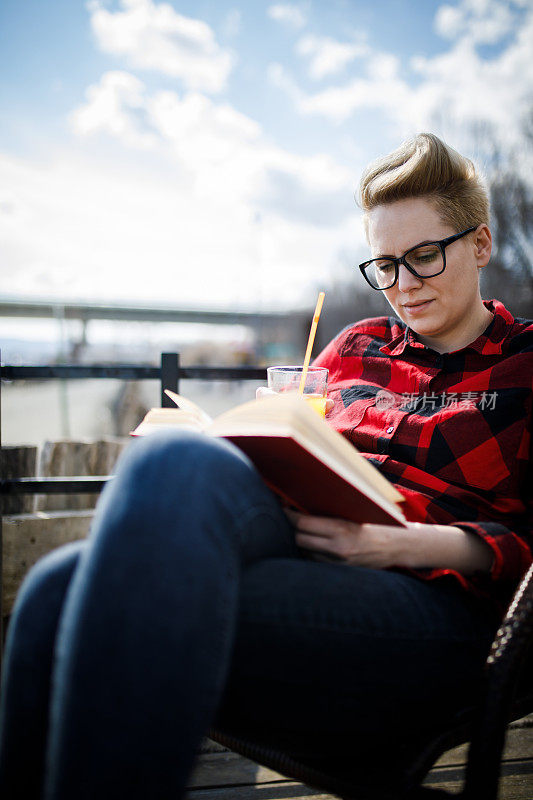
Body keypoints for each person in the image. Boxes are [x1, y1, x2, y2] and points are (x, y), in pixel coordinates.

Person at [0, 133, 531, 800]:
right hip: (301, 561)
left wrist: (401, 543)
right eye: (385, 266)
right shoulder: (354, 346)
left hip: (438, 615)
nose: (403, 286)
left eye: (423, 257)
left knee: (77, 584)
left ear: (479, 245)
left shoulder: (525, 365)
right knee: (109, 528)